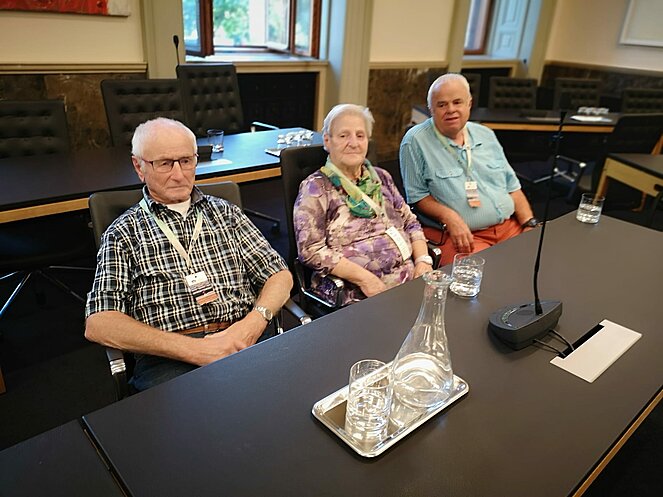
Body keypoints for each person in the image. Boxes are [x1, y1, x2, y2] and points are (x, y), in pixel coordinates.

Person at [85, 118, 293, 391]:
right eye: (165, 163)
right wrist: (194, 350)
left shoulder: (226, 213)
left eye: (186, 161)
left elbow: (279, 275)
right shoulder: (123, 233)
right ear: (139, 167)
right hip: (171, 357)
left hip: (245, 336)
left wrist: (252, 325)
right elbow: (99, 322)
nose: (179, 174)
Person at [294, 103, 433, 306]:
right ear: (327, 141)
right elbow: (310, 250)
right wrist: (365, 279)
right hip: (356, 293)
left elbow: (410, 222)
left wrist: (423, 261)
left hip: (408, 282)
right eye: (343, 135)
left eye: (360, 135)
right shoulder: (315, 188)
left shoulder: (382, 177)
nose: (353, 143)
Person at [400, 73, 538, 266]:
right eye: (442, 105)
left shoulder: (486, 134)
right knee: (487, 274)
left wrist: (529, 223)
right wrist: (451, 217)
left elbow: (512, 187)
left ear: (469, 104)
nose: (451, 110)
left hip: (509, 226)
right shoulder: (415, 141)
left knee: (538, 263)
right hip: (463, 236)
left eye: (457, 102)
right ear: (431, 109)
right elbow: (417, 197)